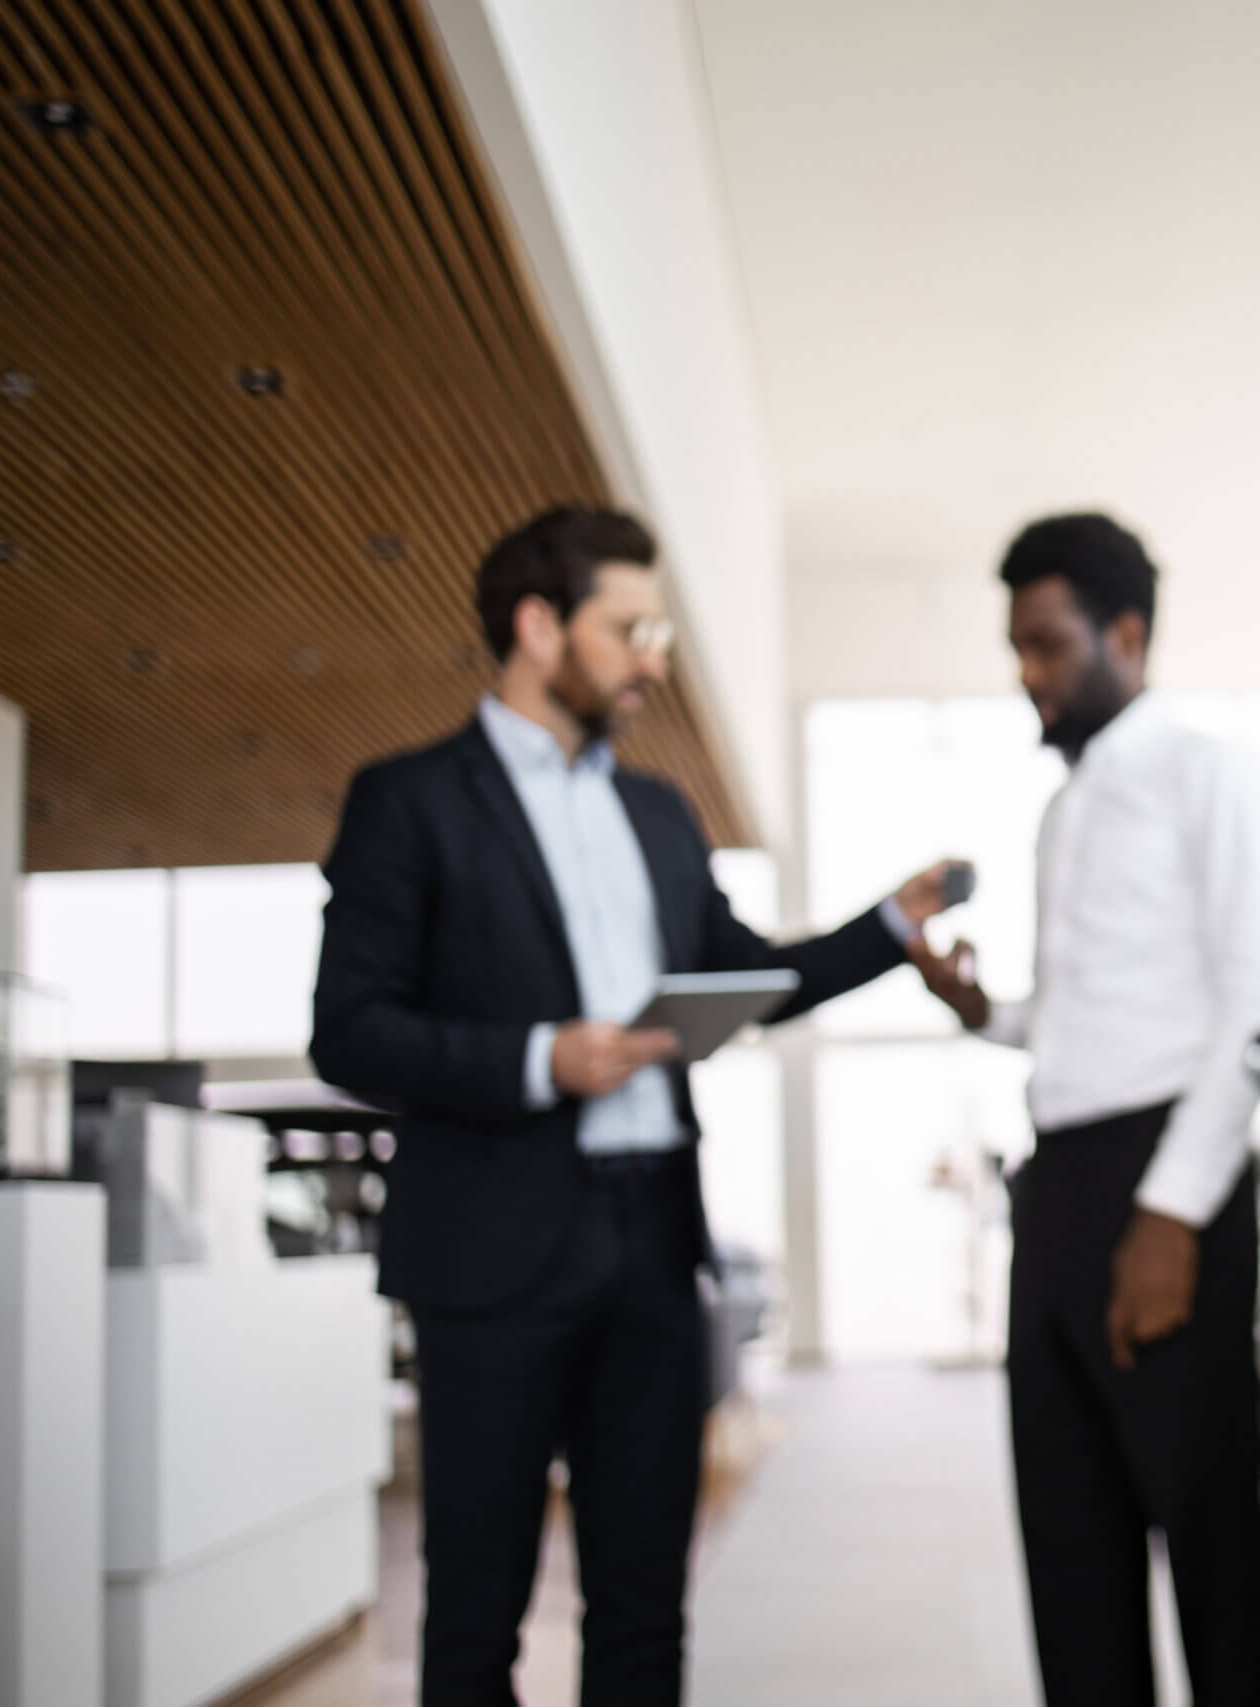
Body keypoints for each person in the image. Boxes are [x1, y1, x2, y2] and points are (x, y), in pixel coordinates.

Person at [310, 504, 959, 1707]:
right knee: (475, 1618)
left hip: (652, 1251)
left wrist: (886, 930)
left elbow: (746, 980)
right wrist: (535, 1059)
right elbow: (348, 1030)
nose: (654, 655)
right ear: (538, 625)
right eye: (631, 626)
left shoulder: (659, 813)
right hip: (493, 1257)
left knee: (648, 1616)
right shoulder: (408, 801)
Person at [906, 512, 1260, 1706]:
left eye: (1047, 644)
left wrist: (1172, 1215)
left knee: (1211, 1549)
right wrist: (987, 1013)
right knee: (1069, 1543)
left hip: (1163, 1181)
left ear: (1124, 633)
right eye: (1017, 647)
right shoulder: (1064, 811)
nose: (1027, 671)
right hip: (1062, 1185)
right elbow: (1095, 1013)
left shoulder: (1209, 773)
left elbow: (1252, 1010)